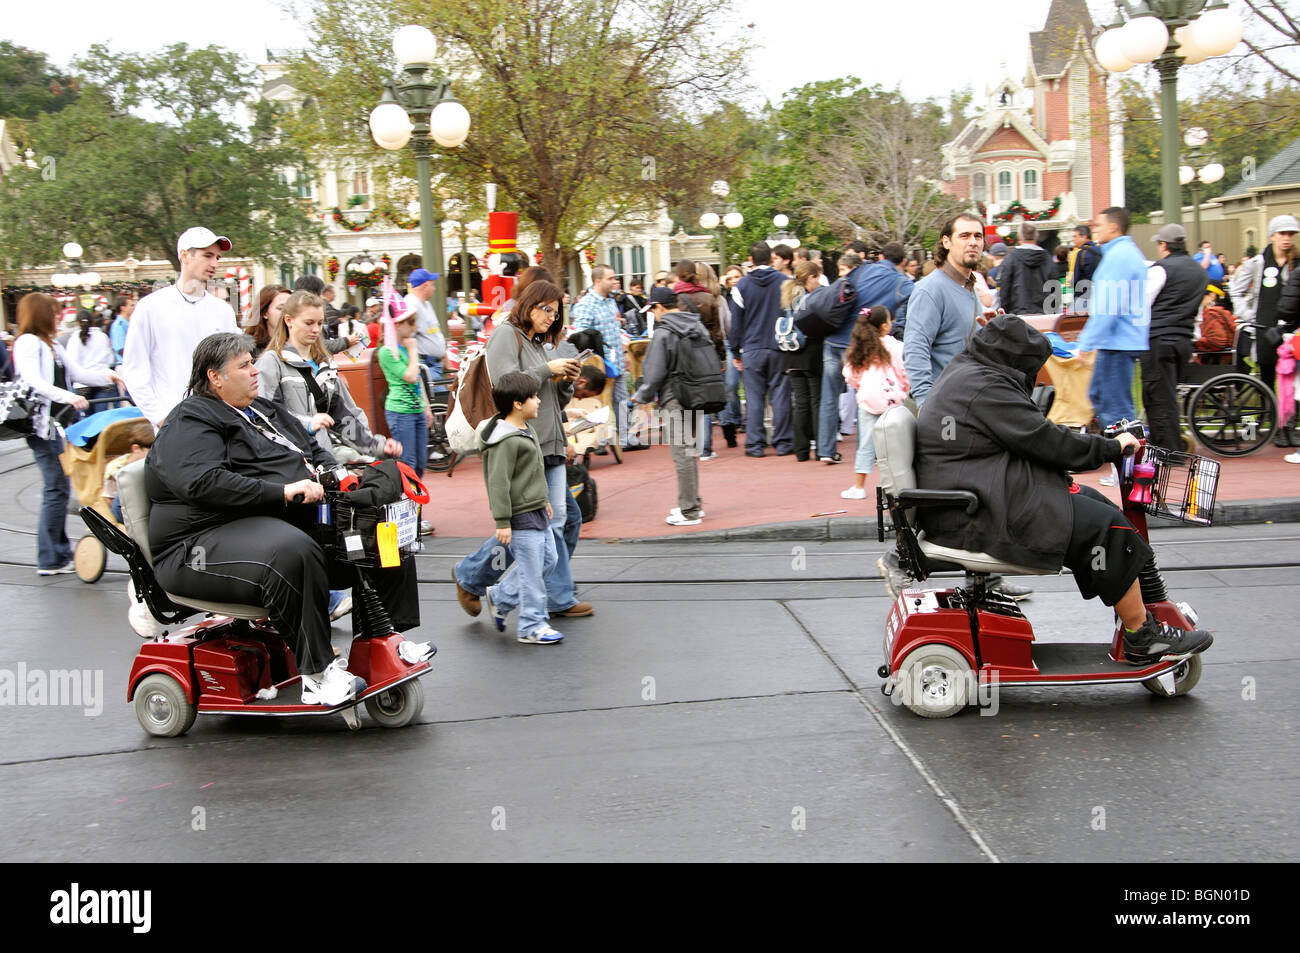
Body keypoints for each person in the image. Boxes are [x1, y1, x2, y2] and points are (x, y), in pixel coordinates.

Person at [145, 332, 428, 706]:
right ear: (215, 377)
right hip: (197, 543)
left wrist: (335, 474)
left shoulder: (262, 409)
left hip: (265, 522)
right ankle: (317, 674)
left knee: (381, 526)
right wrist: (281, 492)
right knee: (292, 551)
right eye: (243, 366)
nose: (253, 371)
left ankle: (381, 640)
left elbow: (314, 450)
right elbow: (200, 482)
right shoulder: (192, 417)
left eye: (252, 362)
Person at [913, 314, 1213, 664]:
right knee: (1107, 527)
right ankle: (1140, 635)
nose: (1037, 376)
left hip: (978, 494)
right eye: (1033, 367)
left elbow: (1030, 435)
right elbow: (1044, 440)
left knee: (1098, 504)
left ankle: (1142, 613)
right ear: (1015, 360)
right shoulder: (986, 387)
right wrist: (1110, 448)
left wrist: (1093, 448)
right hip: (979, 511)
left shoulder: (973, 372)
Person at [453, 280, 593, 619]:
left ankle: (481, 579)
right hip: (522, 443)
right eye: (546, 310)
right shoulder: (506, 334)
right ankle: (535, 594)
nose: (550, 318)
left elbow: (551, 399)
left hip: (549, 441)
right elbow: (506, 386)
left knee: (557, 521)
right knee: (542, 523)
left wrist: (567, 380)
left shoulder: (541, 343)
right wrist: (549, 369)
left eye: (556, 313)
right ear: (528, 305)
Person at [13, 293, 124, 574]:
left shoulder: (51, 345)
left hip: (57, 424)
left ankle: (57, 554)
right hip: (42, 425)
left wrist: (108, 376)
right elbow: (32, 381)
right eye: (53, 311)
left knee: (59, 488)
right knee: (55, 488)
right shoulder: (28, 343)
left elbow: (79, 373)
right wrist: (67, 397)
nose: (58, 316)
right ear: (40, 314)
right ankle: (50, 558)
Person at [256, 290, 402, 465]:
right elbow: (265, 415)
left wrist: (378, 446)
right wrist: (308, 424)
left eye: (319, 323)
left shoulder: (325, 364)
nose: (316, 329)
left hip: (323, 459)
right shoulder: (272, 362)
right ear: (289, 320)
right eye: (309, 323)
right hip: (290, 463)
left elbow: (344, 417)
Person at [121, 227, 237, 427]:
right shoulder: (150, 307)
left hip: (220, 420)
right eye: (207, 255)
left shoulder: (223, 311)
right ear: (184, 255)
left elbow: (233, 365)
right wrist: (160, 418)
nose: (214, 263)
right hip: (175, 421)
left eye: (217, 257)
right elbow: (134, 369)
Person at [479, 372, 565, 644]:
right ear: (518, 404)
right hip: (520, 516)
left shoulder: (525, 430)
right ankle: (531, 625)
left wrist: (544, 501)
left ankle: (501, 596)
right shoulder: (505, 441)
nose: (539, 401)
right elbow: (498, 483)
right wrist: (502, 521)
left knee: (548, 561)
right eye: (534, 397)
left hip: (536, 509)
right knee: (531, 574)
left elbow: (532, 474)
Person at [819, 243, 911, 463]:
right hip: (861, 344)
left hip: (833, 339)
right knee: (867, 395)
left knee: (829, 397)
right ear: (903, 262)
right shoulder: (901, 282)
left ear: (880, 256)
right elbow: (915, 300)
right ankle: (866, 453)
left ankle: (825, 450)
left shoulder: (863, 269)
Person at [632, 287, 710, 525]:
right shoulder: (697, 325)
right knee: (689, 451)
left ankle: (689, 510)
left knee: (682, 453)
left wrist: (641, 396)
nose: (654, 315)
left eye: (653, 309)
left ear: (659, 307)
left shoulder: (664, 331)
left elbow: (654, 372)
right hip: (696, 394)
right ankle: (692, 502)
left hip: (674, 396)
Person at [1078, 207, 1149, 435]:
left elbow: (1108, 307)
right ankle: (1127, 465)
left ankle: (1129, 467)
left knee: (1115, 410)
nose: (1094, 230)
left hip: (1117, 342)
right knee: (1105, 400)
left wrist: (1086, 344)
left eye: (1098, 225)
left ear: (1113, 227)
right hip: (1120, 341)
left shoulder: (1119, 257)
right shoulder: (1123, 254)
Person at [902, 213, 983, 409]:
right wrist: (925, 404)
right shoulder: (930, 289)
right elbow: (915, 349)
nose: (972, 242)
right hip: (943, 408)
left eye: (978, 236)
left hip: (969, 401)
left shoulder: (969, 288)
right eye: (964, 236)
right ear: (946, 242)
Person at [1231, 214, 1298, 441]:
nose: (1286, 238)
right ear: (1272, 236)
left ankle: (1287, 427)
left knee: (1292, 382)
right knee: (1267, 380)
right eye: (1282, 234)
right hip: (1264, 332)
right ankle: (1267, 424)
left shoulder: (1297, 262)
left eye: (1290, 234)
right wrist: (1250, 316)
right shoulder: (1257, 263)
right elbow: (1236, 291)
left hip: (1292, 332)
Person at [1142, 224, 1208, 451]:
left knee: (1158, 397)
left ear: (1163, 245)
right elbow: (1196, 312)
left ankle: (1168, 450)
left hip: (1158, 340)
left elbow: (1143, 303)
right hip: (1183, 341)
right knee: (1169, 396)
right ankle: (1173, 444)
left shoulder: (1160, 269)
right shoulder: (1200, 271)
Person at [729, 242, 793, 456]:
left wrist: (735, 351)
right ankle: (783, 442)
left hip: (752, 347)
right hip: (779, 346)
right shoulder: (785, 282)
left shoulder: (741, 286)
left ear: (751, 259)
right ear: (771, 257)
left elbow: (736, 323)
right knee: (780, 396)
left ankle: (755, 444)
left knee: (755, 398)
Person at [840, 306, 908, 500]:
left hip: (869, 399)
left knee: (866, 445)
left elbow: (850, 373)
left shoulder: (860, 347)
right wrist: (904, 388)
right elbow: (904, 370)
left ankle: (859, 486)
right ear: (885, 326)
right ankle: (899, 487)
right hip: (893, 399)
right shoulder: (895, 346)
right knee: (898, 445)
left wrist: (861, 385)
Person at [570, 265, 631, 448]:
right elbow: (580, 337)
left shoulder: (611, 302)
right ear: (598, 281)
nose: (615, 281)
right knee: (598, 404)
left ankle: (625, 439)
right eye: (610, 278)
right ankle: (598, 441)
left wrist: (624, 352)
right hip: (598, 366)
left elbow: (615, 330)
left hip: (616, 362)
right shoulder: (586, 305)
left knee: (621, 401)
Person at [375, 302, 432, 476]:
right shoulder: (386, 351)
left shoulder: (405, 348)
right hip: (400, 412)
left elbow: (417, 380)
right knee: (408, 463)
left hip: (416, 409)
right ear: (398, 325)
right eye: (411, 323)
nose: (414, 327)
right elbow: (410, 376)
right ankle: (409, 502)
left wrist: (426, 407)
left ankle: (415, 501)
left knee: (421, 461)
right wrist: (414, 351)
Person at [779, 260, 823, 461]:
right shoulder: (809, 298)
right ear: (810, 277)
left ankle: (801, 449)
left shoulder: (789, 295)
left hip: (791, 354)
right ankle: (821, 447)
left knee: (801, 403)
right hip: (810, 353)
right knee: (816, 401)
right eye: (817, 277)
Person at [997, 223, 1058, 316]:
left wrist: (1005, 312)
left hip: (1018, 314)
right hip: (1044, 314)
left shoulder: (1011, 259)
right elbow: (1055, 287)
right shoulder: (1048, 259)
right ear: (1037, 236)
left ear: (1018, 237)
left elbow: (1004, 288)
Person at [104, 420, 155, 523]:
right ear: (136, 448)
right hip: (124, 510)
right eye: (152, 450)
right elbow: (108, 499)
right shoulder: (116, 467)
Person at [402, 268, 447, 381]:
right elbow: (406, 337)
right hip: (425, 364)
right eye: (432, 285)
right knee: (439, 397)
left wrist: (443, 354)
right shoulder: (411, 304)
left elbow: (435, 332)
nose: (434, 288)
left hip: (434, 364)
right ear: (425, 286)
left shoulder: (426, 304)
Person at [718, 264, 745, 447]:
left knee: (751, 386)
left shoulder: (747, 294)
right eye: (731, 277)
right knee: (731, 384)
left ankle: (749, 419)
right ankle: (735, 418)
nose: (734, 280)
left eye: (737, 276)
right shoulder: (724, 297)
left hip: (748, 341)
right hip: (730, 343)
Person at [67, 309, 118, 406]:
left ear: (78, 322)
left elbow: (71, 363)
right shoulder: (103, 337)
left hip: (81, 385)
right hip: (103, 381)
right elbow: (110, 359)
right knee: (102, 418)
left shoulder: (74, 339)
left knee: (85, 419)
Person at [248, 284, 289, 360]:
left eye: (291, 308)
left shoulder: (303, 343)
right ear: (264, 313)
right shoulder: (248, 349)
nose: (287, 313)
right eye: (281, 308)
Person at [1069, 224, 1102, 313]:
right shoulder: (1100, 250)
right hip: (1099, 294)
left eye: (1075, 236)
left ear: (1084, 237)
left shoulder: (1080, 253)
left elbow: (1075, 279)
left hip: (1083, 295)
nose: (1073, 239)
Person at [108, 296, 135, 364]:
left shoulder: (130, 323)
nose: (133, 308)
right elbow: (120, 349)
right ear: (123, 308)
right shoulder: (119, 325)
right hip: (126, 364)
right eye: (131, 305)